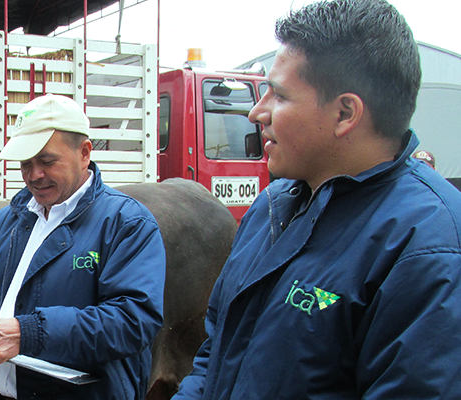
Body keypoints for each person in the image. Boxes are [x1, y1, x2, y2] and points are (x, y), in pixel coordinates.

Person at [173, 0, 461, 398]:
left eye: (278, 95)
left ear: (345, 113)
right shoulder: (269, 208)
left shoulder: (427, 246)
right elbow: (215, 354)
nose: (258, 112)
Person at [0, 94, 165, 400]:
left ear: (84, 153)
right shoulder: (13, 218)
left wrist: (31, 333)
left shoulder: (126, 223)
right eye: (25, 163)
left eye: (46, 161)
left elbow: (132, 320)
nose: (33, 175)